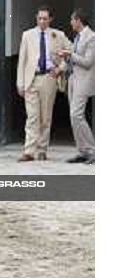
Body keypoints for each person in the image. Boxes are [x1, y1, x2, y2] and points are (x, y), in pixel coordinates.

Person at [16, 6, 68, 162]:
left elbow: (71, 52)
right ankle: (29, 150)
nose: (42, 21)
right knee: (32, 116)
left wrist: (60, 68)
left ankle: (42, 149)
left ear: (50, 19)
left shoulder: (58, 35)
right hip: (31, 78)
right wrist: (20, 83)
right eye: (40, 18)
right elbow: (22, 60)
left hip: (48, 78)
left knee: (45, 116)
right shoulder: (27, 35)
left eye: (45, 18)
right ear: (36, 18)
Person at [57, 9, 95, 165]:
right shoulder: (78, 37)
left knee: (76, 115)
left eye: (72, 20)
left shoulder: (91, 38)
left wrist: (69, 54)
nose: (71, 23)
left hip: (83, 81)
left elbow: (87, 62)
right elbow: (71, 60)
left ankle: (92, 150)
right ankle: (83, 151)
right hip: (73, 80)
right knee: (74, 117)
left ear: (79, 20)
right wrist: (59, 68)